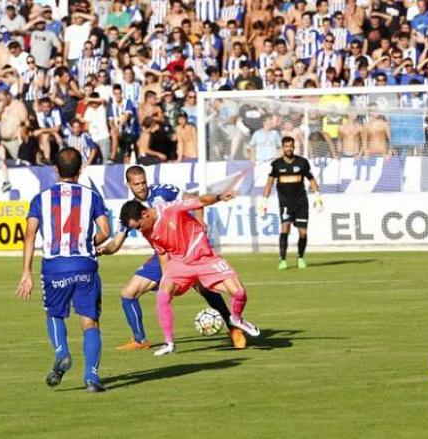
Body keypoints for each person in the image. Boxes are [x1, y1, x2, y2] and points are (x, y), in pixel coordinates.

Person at [97, 166, 246, 350]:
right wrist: (103, 249)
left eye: (144, 182)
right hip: (162, 256)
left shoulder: (164, 191)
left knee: (204, 287)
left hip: (186, 249)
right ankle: (140, 340)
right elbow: (116, 243)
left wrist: (199, 221)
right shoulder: (131, 212)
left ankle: (233, 328)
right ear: (128, 185)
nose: (142, 187)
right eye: (137, 184)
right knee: (128, 293)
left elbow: (194, 200)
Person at [119, 191, 260, 356]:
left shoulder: (170, 209)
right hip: (180, 265)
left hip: (206, 260)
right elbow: (162, 253)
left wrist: (220, 197)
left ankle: (236, 319)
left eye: (138, 226)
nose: (139, 230)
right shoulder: (147, 231)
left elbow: (199, 200)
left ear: (145, 214)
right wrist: (166, 278)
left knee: (239, 292)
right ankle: (169, 343)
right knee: (162, 295)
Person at [17, 148, 110, 393]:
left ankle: (62, 353)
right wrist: (90, 243)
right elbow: (106, 231)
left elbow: (30, 234)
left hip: (55, 267)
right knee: (90, 322)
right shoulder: (91, 196)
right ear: (80, 170)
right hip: (85, 266)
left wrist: (26, 272)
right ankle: (91, 378)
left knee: (54, 314)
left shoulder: (41, 198)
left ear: (55, 170)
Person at [261, 136, 322, 270]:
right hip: (285, 203)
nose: (289, 148)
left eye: (291, 146)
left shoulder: (302, 163)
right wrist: (264, 202)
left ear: (294, 147)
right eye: (286, 146)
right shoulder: (276, 165)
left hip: (301, 202)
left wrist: (318, 197)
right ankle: (283, 260)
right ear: (283, 147)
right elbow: (269, 183)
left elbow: (311, 179)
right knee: (285, 228)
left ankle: (300, 257)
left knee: (303, 233)